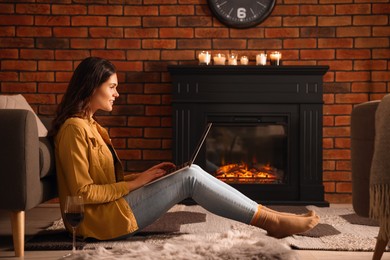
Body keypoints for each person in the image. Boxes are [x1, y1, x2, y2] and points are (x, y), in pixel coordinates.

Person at [50, 57, 319, 241]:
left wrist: (145, 175)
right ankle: (271, 222)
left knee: (192, 170)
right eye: (112, 87)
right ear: (91, 87)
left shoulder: (91, 126)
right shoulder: (74, 129)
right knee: (190, 177)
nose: (116, 93)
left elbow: (106, 183)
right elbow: (81, 194)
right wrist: (137, 183)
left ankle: (272, 217)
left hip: (110, 210)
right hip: (98, 224)